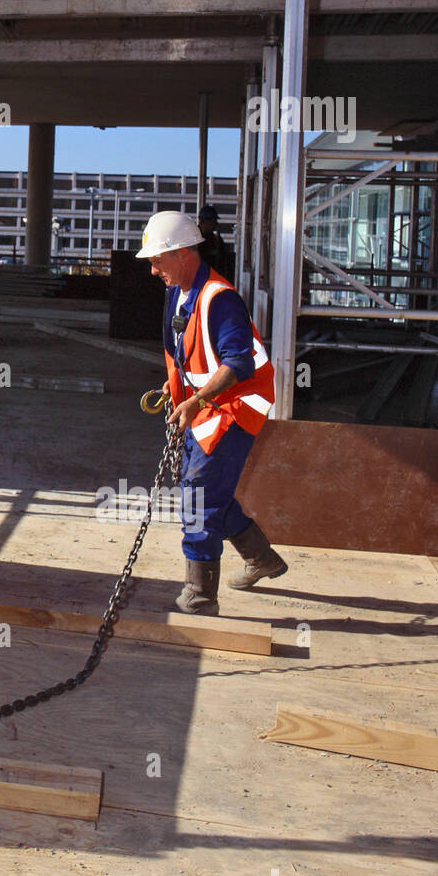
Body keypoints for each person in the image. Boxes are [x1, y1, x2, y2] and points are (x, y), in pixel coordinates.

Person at [136, 210, 288, 615]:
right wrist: (176, 384)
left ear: (183, 254)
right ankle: (261, 558)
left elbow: (240, 362)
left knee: (199, 496)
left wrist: (196, 399)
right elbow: (185, 348)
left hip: (232, 408)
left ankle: (201, 596)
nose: (153, 271)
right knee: (207, 490)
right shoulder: (179, 291)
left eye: (156, 261)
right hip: (203, 407)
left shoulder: (220, 299)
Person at [196, 204, 233, 279]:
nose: (215, 224)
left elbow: (223, 263)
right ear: (204, 221)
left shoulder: (216, 240)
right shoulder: (193, 238)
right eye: (213, 221)